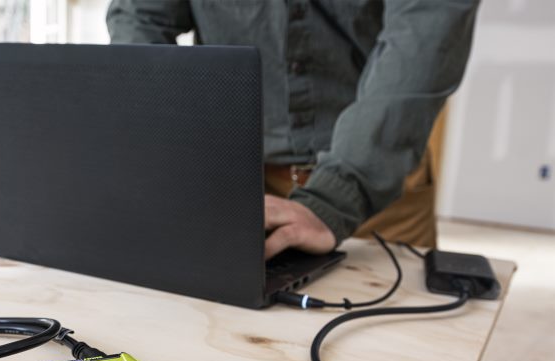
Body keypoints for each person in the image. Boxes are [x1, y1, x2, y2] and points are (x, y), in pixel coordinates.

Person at [107, 0, 479, 258]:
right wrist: (166, 151)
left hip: (379, 190)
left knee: (397, 346)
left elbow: (424, 37)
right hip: (234, 188)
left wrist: (338, 196)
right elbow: (140, 19)